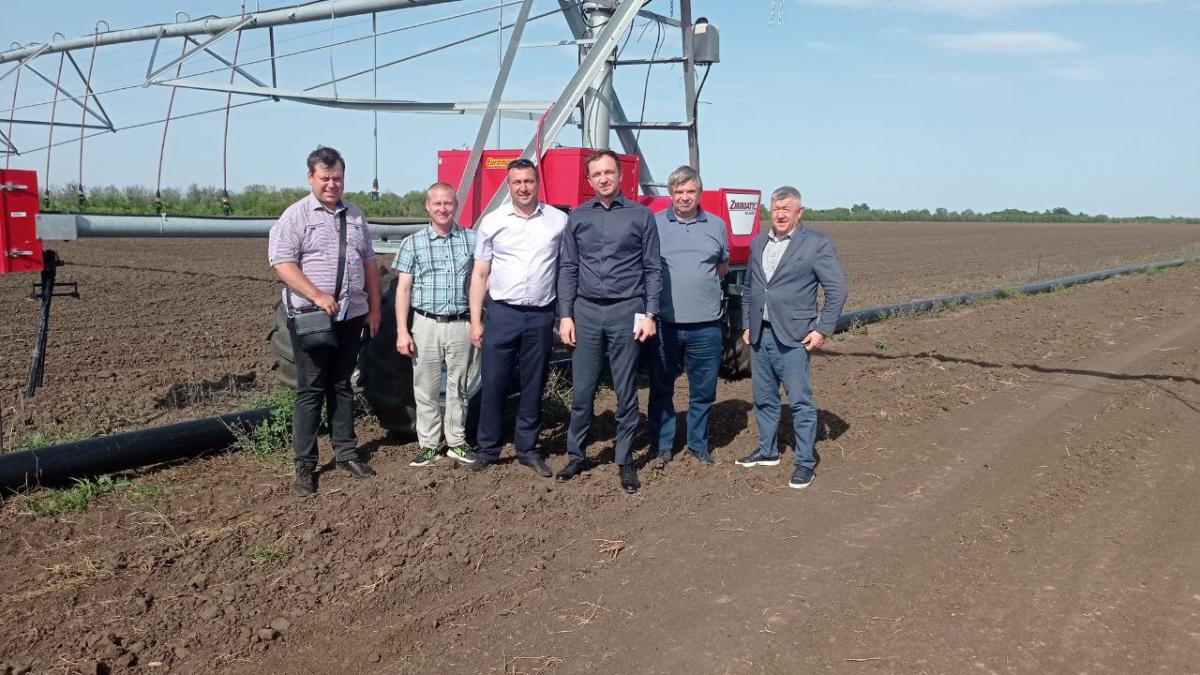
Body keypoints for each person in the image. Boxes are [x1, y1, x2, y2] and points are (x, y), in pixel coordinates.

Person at [268, 146, 382, 496]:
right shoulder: (296, 216)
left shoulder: (356, 216)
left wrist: (374, 308)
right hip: (313, 318)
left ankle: (346, 452)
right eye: (325, 178)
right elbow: (282, 262)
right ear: (311, 178)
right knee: (311, 389)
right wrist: (317, 294)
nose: (332, 184)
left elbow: (369, 266)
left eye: (337, 178)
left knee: (342, 385)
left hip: (351, 315)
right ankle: (304, 465)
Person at [557, 149, 662, 494]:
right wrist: (566, 314)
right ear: (588, 180)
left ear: (619, 176)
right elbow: (568, 268)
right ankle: (576, 454)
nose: (603, 178)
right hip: (586, 312)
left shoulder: (641, 216)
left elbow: (652, 269)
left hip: (625, 311)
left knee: (625, 390)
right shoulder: (578, 217)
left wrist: (650, 314)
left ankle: (625, 460)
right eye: (596, 174)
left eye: (609, 172)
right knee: (583, 391)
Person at [738, 185, 848, 489]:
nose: (781, 214)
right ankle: (767, 450)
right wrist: (748, 323)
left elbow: (837, 289)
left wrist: (823, 328)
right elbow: (750, 288)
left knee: (799, 401)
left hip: (795, 336)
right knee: (763, 398)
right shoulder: (759, 242)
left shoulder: (815, 244)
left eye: (787, 209)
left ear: (799, 212)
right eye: (776, 209)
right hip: (761, 336)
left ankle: (804, 462)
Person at [468, 159, 567, 477]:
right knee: (494, 382)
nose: (523, 187)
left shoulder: (558, 221)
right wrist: (475, 320)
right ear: (508, 185)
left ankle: (527, 449)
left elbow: (566, 270)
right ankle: (488, 448)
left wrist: (564, 315)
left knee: (533, 383)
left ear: (537, 183)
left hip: (540, 315)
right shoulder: (493, 222)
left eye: (528, 181)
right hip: (503, 313)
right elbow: (480, 273)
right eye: (516, 182)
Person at [646, 165, 730, 464]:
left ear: (699, 193)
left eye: (690, 191)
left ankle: (698, 443)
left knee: (704, 390)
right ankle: (663, 443)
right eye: (679, 192)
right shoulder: (654, 224)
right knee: (661, 388)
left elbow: (721, 267)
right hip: (665, 324)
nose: (684, 197)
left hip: (706, 326)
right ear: (670, 194)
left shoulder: (716, 225)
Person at [393, 182, 478, 467]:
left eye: (448, 203)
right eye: (437, 204)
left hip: (460, 323)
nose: (443, 209)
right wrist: (402, 331)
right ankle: (428, 445)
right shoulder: (413, 243)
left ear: (456, 206)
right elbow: (403, 289)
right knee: (425, 387)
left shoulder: (472, 240)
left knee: (459, 386)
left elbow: (483, 279)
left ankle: (456, 441)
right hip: (425, 323)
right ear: (428, 207)